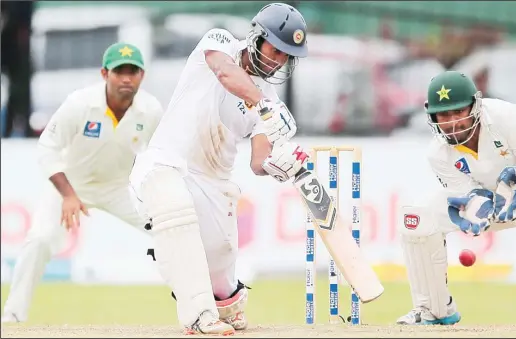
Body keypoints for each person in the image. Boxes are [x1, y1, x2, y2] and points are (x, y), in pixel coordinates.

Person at [128, 2, 310, 336]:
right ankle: (199, 315)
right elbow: (226, 73)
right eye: (276, 49)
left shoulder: (266, 96)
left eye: (287, 56)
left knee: (222, 265)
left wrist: (279, 167)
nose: (279, 60)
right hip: (164, 163)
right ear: (257, 38)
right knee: (172, 203)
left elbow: (258, 161)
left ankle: (226, 306)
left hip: (213, 184)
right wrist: (267, 105)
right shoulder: (220, 42)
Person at [396, 71, 516, 325]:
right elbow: (465, 191)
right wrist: (474, 209)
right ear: (431, 115)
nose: (452, 122)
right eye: (444, 115)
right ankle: (434, 309)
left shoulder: (506, 115)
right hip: (491, 204)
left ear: (475, 105)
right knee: (415, 216)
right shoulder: (437, 153)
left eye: (458, 111)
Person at [1, 43, 164, 323]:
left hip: (120, 188)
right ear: (104, 73)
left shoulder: (151, 110)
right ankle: (14, 317)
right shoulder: (80, 103)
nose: (126, 78)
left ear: (142, 75)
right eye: (119, 71)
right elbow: (47, 148)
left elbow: (160, 154)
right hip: (70, 185)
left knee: (169, 228)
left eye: (133, 71)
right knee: (39, 240)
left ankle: (202, 307)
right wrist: (67, 194)